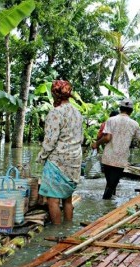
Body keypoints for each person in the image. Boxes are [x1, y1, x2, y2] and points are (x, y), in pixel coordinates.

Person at [36, 80, 83, 225]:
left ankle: (57, 231)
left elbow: (50, 141)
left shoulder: (55, 113)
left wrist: (41, 157)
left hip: (58, 161)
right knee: (67, 198)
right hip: (75, 159)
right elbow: (81, 137)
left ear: (55, 94)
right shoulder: (77, 112)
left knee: (53, 200)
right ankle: (67, 229)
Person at [92, 98, 140, 199]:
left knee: (110, 184)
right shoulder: (134, 124)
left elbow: (107, 137)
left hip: (108, 157)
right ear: (131, 111)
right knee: (111, 185)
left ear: (120, 108)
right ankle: (107, 206)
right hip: (121, 159)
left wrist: (97, 143)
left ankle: (108, 204)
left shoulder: (111, 120)